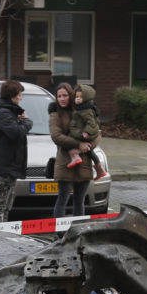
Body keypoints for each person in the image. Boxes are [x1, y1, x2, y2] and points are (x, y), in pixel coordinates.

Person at [0, 79, 33, 223]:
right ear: (12, 96)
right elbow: (15, 133)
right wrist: (27, 122)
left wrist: (18, 121)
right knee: (0, 206)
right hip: (3, 168)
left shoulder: (8, 113)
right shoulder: (4, 113)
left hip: (9, 167)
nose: (21, 97)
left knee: (6, 206)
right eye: (19, 94)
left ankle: (4, 235)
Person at [48, 82, 97, 219]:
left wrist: (88, 146)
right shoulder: (55, 114)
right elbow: (56, 137)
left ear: (71, 96)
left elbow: (97, 134)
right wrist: (78, 143)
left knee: (79, 201)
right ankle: (60, 236)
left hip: (84, 162)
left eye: (65, 95)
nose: (62, 99)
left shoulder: (83, 111)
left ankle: (78, 234)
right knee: (62, 200)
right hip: (65, 163)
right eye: (59, 96)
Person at [66, 85, 108, 180]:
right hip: (85, 132)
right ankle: (100, 170)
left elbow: (91, 123)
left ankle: (75, 156)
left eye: (80, 97)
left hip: (85, 133)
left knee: (69, 142)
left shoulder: (85, 110)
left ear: (86, 98)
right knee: (90, 151)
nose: (78, 99)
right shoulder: (81, 108)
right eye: (76, 97)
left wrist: (86, 132)